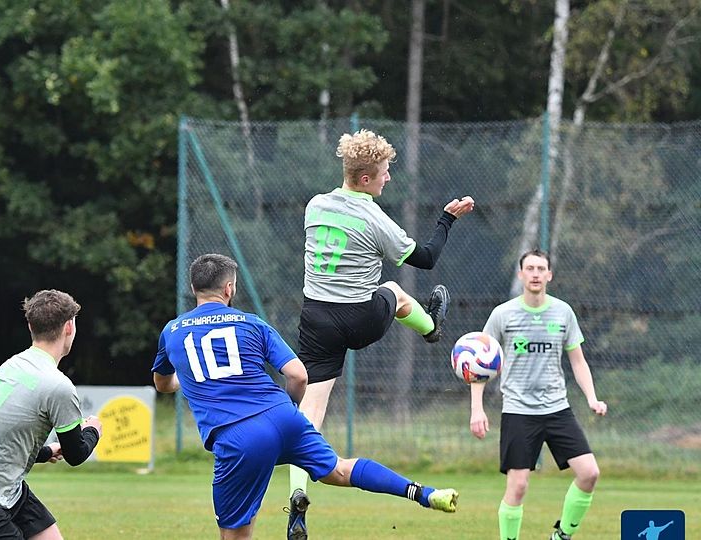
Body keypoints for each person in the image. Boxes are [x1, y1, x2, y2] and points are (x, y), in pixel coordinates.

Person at [152, 254, 459, 540]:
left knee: (235, 536)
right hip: (282, 416)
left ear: (193, 287)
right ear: (230, 288)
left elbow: (163, 383)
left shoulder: (172, 331)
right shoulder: (252, 323)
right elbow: (298, 375)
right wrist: (290, 407)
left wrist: (186, 377)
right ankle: (424, 493)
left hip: (237, 437)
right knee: (338, 470)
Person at [288, 128, 475, 538]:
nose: (389, 177)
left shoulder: (315, 205)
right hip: (358, 318)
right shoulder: (374, 217)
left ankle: (296, 497)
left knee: (310, 414)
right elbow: (425, 259)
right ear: (367, 179)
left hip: (316, 318)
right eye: (386, 171)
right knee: (392, 289)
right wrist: (447, 219)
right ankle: (432, 328)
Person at [0, 289, 104, 540]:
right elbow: (76, 454)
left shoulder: (12, 366)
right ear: (69, 327)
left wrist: (48, 451)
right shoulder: (57, 386)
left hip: (1, 489)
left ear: (30, 326)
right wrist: (92, 429)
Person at [469, 249, 608, 540]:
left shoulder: (563, 312)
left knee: (589, 473)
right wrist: (477, 409)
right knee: (518, 486)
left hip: (558, 409)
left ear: (549, 275)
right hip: (519, 411)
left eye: (540, 268)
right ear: (521, 274)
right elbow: (479, 364)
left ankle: (562, 535)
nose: (535, 273)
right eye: (529, 268)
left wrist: (592, 398)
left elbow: (578, 360)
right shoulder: (503, 314)